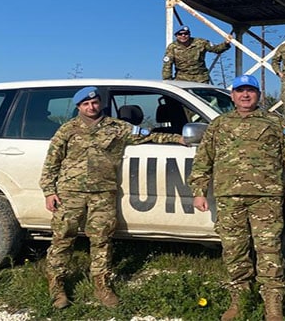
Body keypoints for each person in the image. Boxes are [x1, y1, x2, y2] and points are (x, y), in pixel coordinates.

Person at [39, 86, 187, 309]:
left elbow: (149, 135)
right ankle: (57, 287)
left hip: (103, 193)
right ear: (79, 107)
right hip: (70, 193)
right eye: (86, 104)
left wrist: (178, 139)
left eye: (95, 102)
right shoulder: (67, 130)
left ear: (100, 103)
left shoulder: (118, 128)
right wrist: (49, 191)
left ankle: (102, 286)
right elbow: (52, 162)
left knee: (102, 240)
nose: (91, 107)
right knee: (63, 239)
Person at [188, 75, 285, 321]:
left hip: (265, 198)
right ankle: (240, 299)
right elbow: (203, 160)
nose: (245, 95)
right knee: (234, 250)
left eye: (251, 91)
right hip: (229, 198)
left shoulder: (275, 122)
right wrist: (199, 191)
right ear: (232, 96)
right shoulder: (219, 124)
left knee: (269, 250)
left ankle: (273, 304)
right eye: (240, 91)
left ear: (259, 95)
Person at [162, 25, 231, 83]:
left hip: (201, 79)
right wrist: (167, 81)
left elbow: (216, 49)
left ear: (189, 34)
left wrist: (226, 43)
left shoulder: (200, 42)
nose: (183, 36)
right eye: (180, 34)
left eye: (186, 33)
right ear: (176, 35)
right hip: (182, 80)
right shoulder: (172, 47)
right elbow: (167, 65)